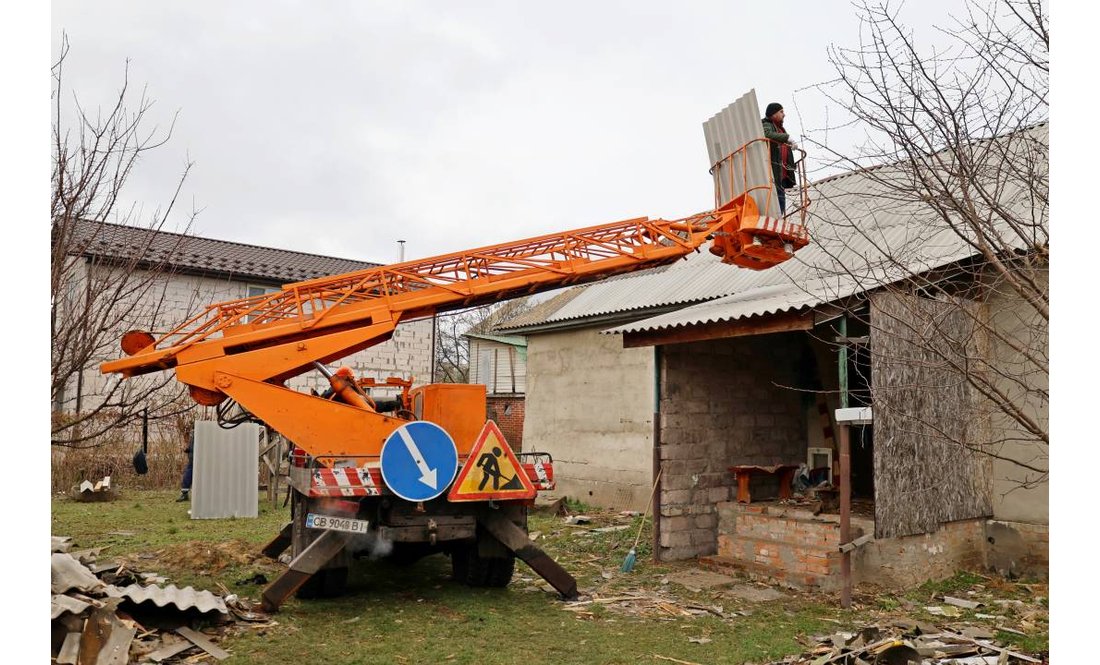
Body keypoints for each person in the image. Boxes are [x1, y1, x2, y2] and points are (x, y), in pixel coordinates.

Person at [762, 102, 798, 216]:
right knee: (776, 203)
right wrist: (787, 138)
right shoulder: (766, 124)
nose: (784, 114)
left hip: (781, 175)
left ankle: (778, 218)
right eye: (781, 112)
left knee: (780, 205)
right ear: (773, 114)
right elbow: (767, 134)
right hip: (773, 173)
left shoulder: (780, 129)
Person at [177, 432, 194, 502]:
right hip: (192, 460)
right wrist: (187, 449)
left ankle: (185, 495)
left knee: (188, 476)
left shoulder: (200, 434)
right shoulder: (193, 435)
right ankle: (184, 494)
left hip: (198, 460)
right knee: (187, 477)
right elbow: (192, 447)